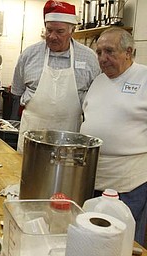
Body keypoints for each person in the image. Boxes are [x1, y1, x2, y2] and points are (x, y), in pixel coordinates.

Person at [80, 27, 147, 246]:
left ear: (128, 52)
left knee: (122, 241)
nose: (102, 58)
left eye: (109, 51)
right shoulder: (99, 81)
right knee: (93, 238)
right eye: (99, 52)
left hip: (128, 182)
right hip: (93, 177)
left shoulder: (144, 78)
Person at [11, 0, 100, 153]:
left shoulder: (89, 58)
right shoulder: (28, 55)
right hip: (31, 135)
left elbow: (96, 101)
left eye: (59, 32)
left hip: (70, 138)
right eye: (49, 30)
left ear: (72, 30)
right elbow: (17, 92)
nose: (52, 36)